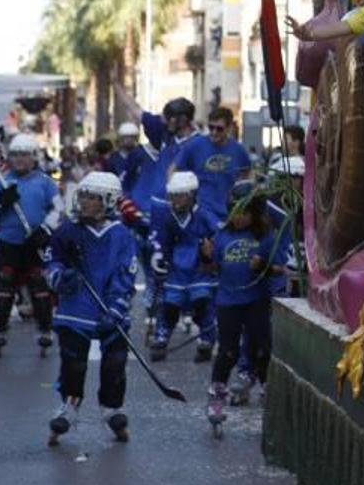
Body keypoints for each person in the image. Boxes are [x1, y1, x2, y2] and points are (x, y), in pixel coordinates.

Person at [42, 172, 138, 445]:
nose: (83, 202)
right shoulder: (67, 231)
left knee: (115, 363)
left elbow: (125, 274)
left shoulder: (121, 236)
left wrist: (117, 307)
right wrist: (61, 277)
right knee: (74, 363)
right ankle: (69, 406)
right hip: (75, 309)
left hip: (110, 309)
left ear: (108, 201)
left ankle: (111, 408)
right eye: (82, 195)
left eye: (92, 198)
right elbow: (52, 262)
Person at [203, 181, 284, 426]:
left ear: (256, 213)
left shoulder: (266, 236)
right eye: (234, 212)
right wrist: (205, 256)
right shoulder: (222, 235)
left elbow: (281, 269)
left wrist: (264, 267)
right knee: (228, 351)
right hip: (228, 301)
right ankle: (217, 395)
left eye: (244, 213)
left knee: (262, 347)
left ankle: (267, 388)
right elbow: (212, 269)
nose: (238, 218)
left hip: (256, 300)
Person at [0, 134, 63, 352]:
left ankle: (45, 328)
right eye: (15, 155)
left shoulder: (45, 182)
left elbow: (59, 209)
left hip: (34, 242)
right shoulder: (0, 183)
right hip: (7, 243)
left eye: (25, 155)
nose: (20, 159)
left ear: (34, 157)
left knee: (39, 285)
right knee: (5, 285)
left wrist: (46, 229)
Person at [147, 171, 220, 363]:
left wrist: (211, 250)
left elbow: (217, 236)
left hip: (199, 269)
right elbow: (162, 241)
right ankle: (162, 336)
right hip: (177, 269)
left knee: (202, 305)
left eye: (180, 195)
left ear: (192, 195)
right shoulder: (169, 218)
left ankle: (207, 338)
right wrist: (159, 256)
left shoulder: (204, 215)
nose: (175, 200)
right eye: (173, 196)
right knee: (170, 305)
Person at [172, 107, 252, 222]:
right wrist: (177, 194)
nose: (214, 132)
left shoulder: (238, 150)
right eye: (211, 127)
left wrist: (243, 195)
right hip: (202, 212)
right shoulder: (195, 145)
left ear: (229, 128)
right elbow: (173, 169)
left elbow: (248, 172)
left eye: (219, 129)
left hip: (229, 213)